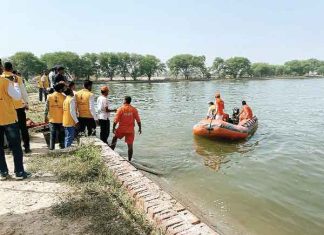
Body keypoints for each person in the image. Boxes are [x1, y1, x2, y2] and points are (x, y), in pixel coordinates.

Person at [0, 62, 31, 180]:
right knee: (16, 146)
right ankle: (19, 172)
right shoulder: (6, 81)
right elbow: (18, 97)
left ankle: (3, 172)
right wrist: (15, 84)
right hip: (8, 119)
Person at [110, 96, 142, 161]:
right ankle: (129, 160)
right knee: (130, 146)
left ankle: (111, 152)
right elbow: (138, 120)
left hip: (121, 129)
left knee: (114, 138)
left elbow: (116, 120)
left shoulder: (120, 109)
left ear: (124, 101)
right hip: (130, 130)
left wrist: (113, 128)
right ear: (130, 101)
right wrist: (140, 128)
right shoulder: (134, 109)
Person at [12, 71, 31, 153]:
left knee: (12, 129)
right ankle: (26, 147)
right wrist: (26, 103)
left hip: (9, 109)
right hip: (19, 107)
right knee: (23, 127)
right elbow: (23, 93)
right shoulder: (17, 78)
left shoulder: (2, 78)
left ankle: (15, 149)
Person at [45, 83, 66, 150]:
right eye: (63, 88)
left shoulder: (49, 96)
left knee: (52, 135)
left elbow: (46, 108)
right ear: (60, 89)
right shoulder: (64, 97)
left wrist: (45, 116)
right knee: (61, 134)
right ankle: (62, 147)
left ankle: (51, 148)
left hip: (52, 119)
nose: (64, 89)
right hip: (61, 120)